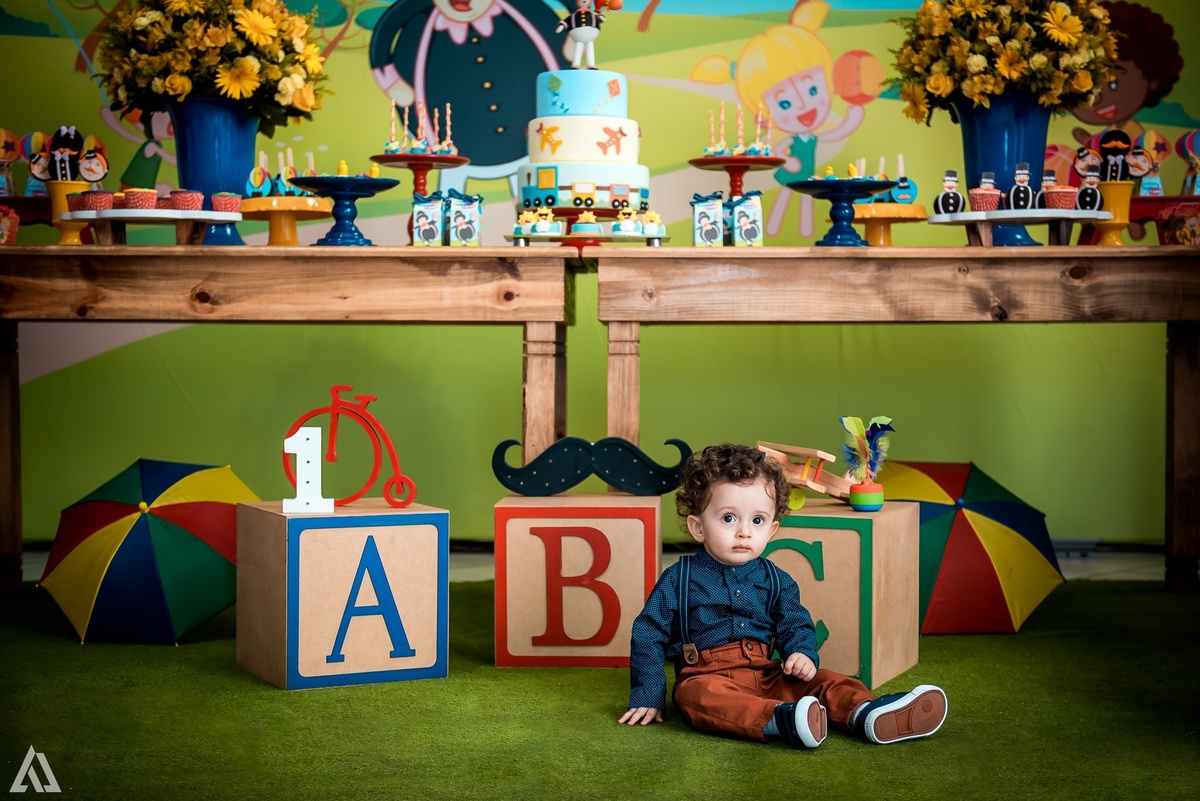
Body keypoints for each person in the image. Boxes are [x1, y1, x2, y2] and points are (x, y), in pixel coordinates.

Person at [620, 443, 948, 748]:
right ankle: (781, 719)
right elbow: (648, 633)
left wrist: (802, 654)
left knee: (826, 680)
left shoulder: (777, 580)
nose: (744, 531)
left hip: (770, 672)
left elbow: (794, 624)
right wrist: (648, 694)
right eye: (728, 518)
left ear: (772, 530)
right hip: (708, 673)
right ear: (698, 527)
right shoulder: (679, 578)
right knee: (698, 698)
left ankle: (866, 712)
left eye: (758, 520)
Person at [556, 0, 606, 70]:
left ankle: (591, 65)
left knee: (590, 49)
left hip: (590, 36)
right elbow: (566, 21)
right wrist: (561, 26)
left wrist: (601, 17)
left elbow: (600, 19)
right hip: (577, 37)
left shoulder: (592, 15)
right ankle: (576, 64)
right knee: (578, 49)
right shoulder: (573, 16)